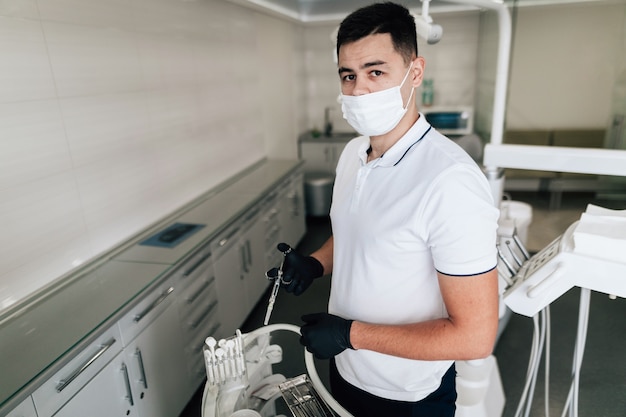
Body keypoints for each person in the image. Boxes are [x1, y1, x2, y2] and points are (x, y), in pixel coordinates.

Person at [272, 2, 500, 416]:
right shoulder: (353, 155)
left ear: (415, 73)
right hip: (347, 369)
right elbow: (358, 232)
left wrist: (349, 335)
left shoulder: (450, 183)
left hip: (408, 392)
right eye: (348, 75)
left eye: (376, 72)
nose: (359, 90)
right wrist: (316, 264)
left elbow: (475, 337)